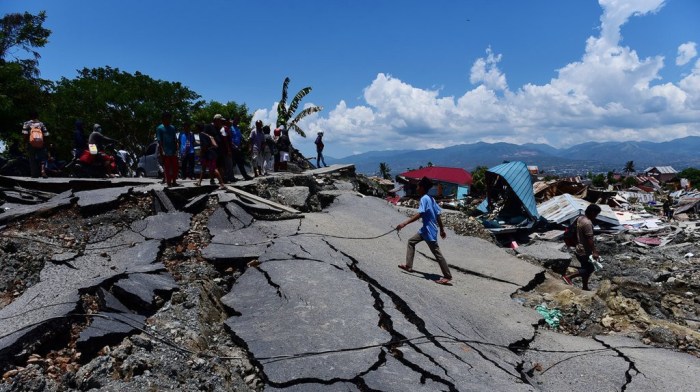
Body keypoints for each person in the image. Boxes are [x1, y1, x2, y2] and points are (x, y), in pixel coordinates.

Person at [396, 177, 453, 285]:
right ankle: (408, 266)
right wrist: (441, 229)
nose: (417, 188)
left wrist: (405, 223)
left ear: (422, 187)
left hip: (429, 231)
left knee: (437, 253)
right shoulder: (431, 199)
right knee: (411, 242)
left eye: (418, 186)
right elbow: (438, 215)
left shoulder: (424, 199)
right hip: (425, 230)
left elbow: (420, 214)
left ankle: (447, 276)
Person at [562, 204, 602, 291]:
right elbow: (589, 239)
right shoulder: (587, 223)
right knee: (590, 268)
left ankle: (585, 287)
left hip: (579, 247)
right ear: (592, 212)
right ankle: (569, 277)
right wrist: (594, 251)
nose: (596, 217)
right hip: (585, 250)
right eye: (596, 214)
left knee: (585, 267)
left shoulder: (580, 218)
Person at [196, 121, 226, 189]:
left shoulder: (201, 134)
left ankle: (222, 183)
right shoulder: (207, 134)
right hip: (211, 153)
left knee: (214, 169)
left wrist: (201, 153)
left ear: (198, 128)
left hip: (208, 154)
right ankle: (199, 182)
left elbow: (204, 146)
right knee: (203, 168)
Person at [22, 111, 49, 178]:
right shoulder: (41, 124)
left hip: (31, 143)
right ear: (37, 116)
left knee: (32, 158)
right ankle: (43, 171)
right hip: (41, 143)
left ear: (30, 116)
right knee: (42, 157)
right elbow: (46, 134)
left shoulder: (26, 123)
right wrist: (45, 143)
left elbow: (25, 134)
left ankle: (34, 174)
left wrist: (24, 142)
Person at [156, 111, 180, 187]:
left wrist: (177, 146)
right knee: (167, 167)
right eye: (168, 118)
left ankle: (174, 181)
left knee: (175, 167)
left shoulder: (172, 128)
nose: (169, 120)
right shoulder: (160, 128)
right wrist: (162, 151)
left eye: (170, 118)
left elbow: (175, 139)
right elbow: (159, 141)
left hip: (173, 150)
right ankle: (169, 183)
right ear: (163, 119)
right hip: (165, 151)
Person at [230, 116, 254, 181]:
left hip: (238, 148)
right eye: (236, 120)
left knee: (240, 163)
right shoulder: (230, 128)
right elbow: (229, 139)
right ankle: (230, 177)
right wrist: (234, 146)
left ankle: (245, 176)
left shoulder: (238, 129)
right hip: (232, 148)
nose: (236, 121)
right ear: (233, 120)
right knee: (232, 163)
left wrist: (244, 144)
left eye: (238, 120)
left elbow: (241, 138)